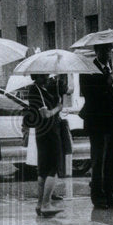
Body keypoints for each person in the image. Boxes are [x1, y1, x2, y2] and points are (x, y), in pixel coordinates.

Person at [80, 43, 113, 209]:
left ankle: (110, 194)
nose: (108, 53)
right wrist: (105, 83)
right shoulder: (88, 71)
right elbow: (89, 96)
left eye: (109, 49)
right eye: (104, 50)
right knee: (99, 160)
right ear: (96, 51)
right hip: (99, 123)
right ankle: (98, 196)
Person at [27, 72, 68, 216]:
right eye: (42, 76)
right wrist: (58, 108)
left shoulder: (41, 89)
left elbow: (63, 90)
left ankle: (40, 204)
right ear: (35, 77)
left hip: (43, 132)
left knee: (43, 168)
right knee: (53, 167)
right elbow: (46, 114)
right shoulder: (35, 90)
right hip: (50, 132)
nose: (45, 78)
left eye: (46, 75)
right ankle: (46, 203)